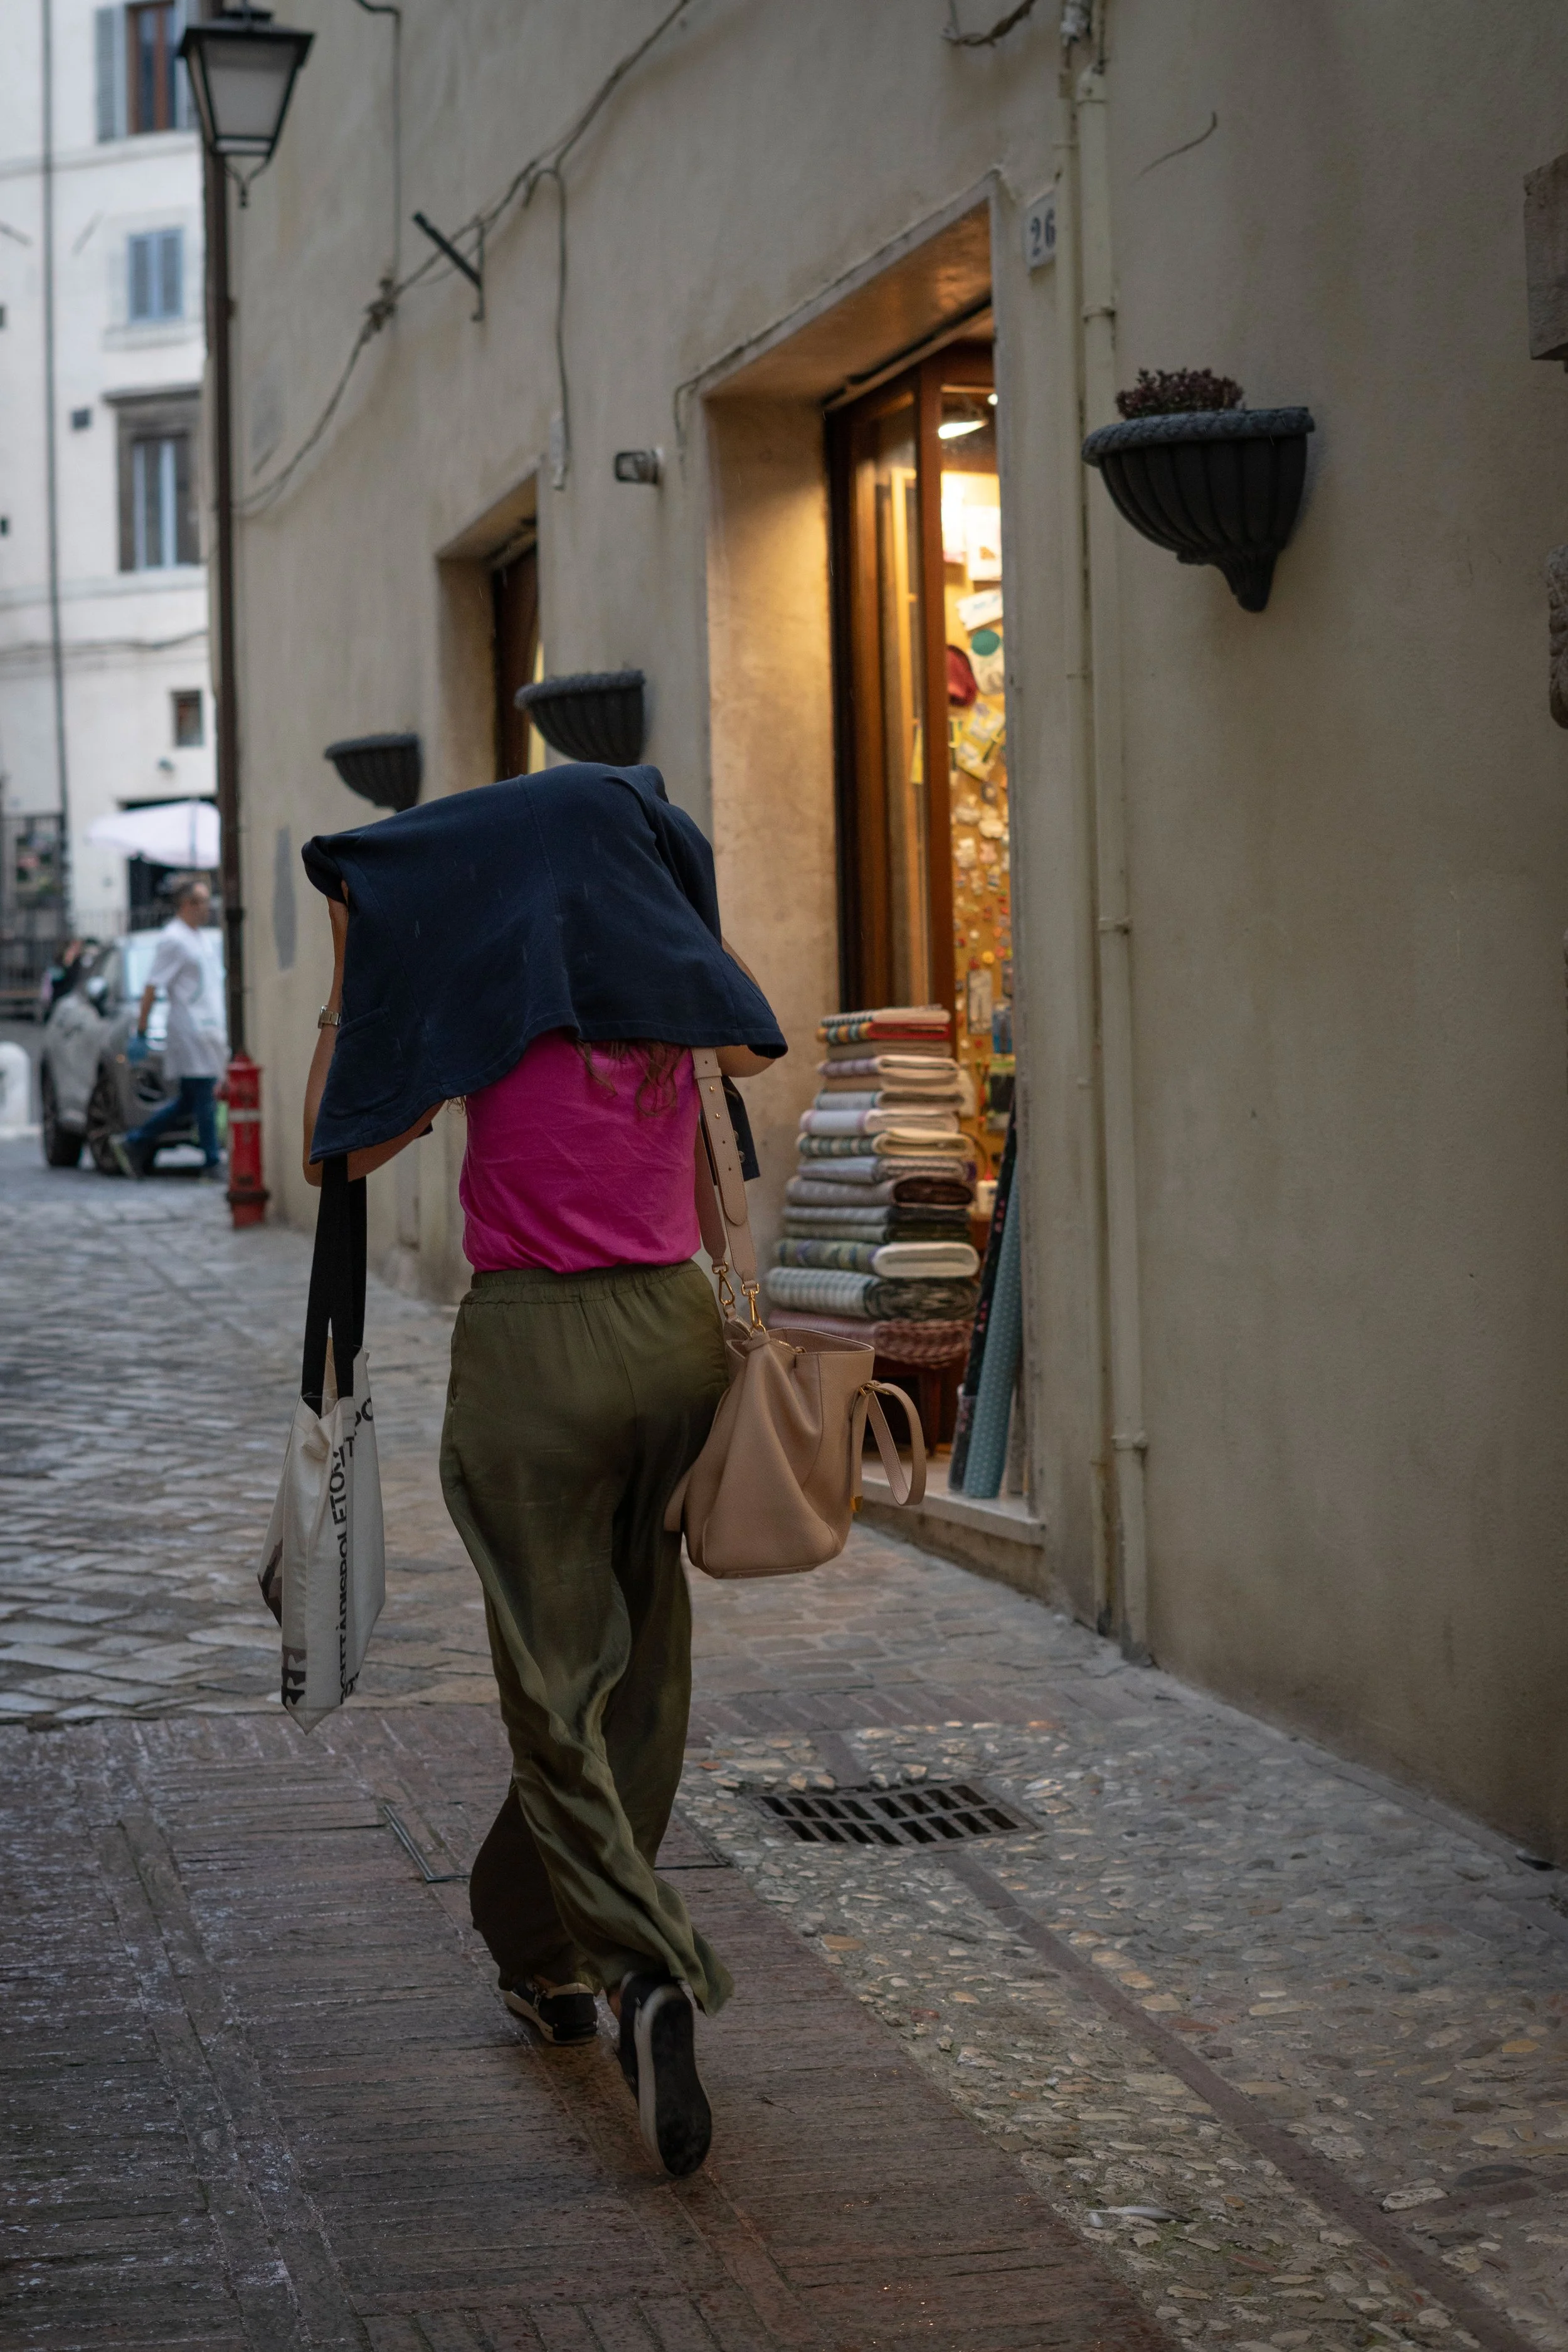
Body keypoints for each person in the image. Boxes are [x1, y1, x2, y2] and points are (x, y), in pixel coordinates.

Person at [297, 765, 785, 2178]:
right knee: (644, 1680)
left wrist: (359, 968)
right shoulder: (675, 1001)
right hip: (674, 1340)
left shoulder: (484, 1002)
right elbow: (748, 1050)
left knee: (556, 1687)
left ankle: (644, 1970)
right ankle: (539, 1949)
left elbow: (340, 1146)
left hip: (533, 1355)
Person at [112, 876, 227, 1179]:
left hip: (208, 1026)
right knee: (203, 1094)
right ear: (187, 904)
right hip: (190, 1029)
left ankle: (134, 1141)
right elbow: (152, 987)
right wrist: (142, 1031)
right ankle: (212, 1161)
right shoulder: (173, 939)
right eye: (203, 902)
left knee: (190, 1099)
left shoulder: (200, 938)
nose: (208, 908)